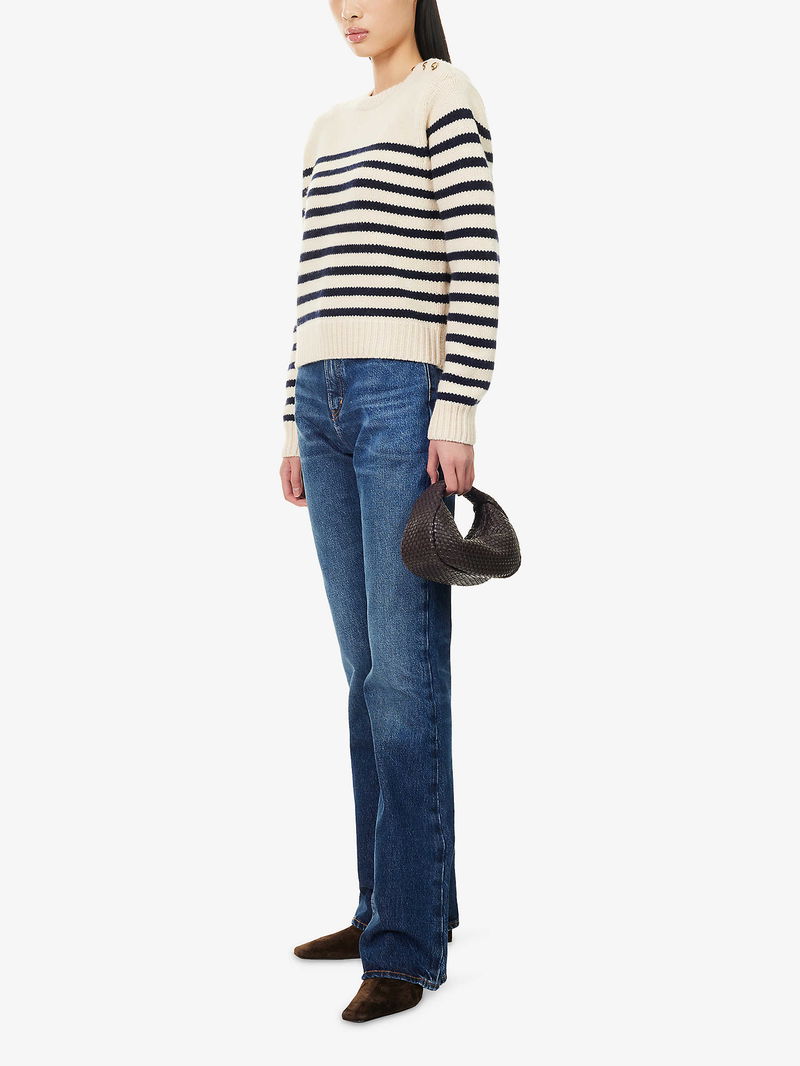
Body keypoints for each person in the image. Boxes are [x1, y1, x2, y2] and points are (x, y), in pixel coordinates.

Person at [278, 0, 500, 1023]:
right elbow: (311, 284)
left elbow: (475, 260)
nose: (348, 8)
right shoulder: (325, 129)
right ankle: (391, 905)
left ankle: (404, 945)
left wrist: (456, 405)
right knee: (366, 675)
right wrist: (291, 421)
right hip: (322, 402)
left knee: (404, 677)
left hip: (401, 398)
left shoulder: (444, 97)